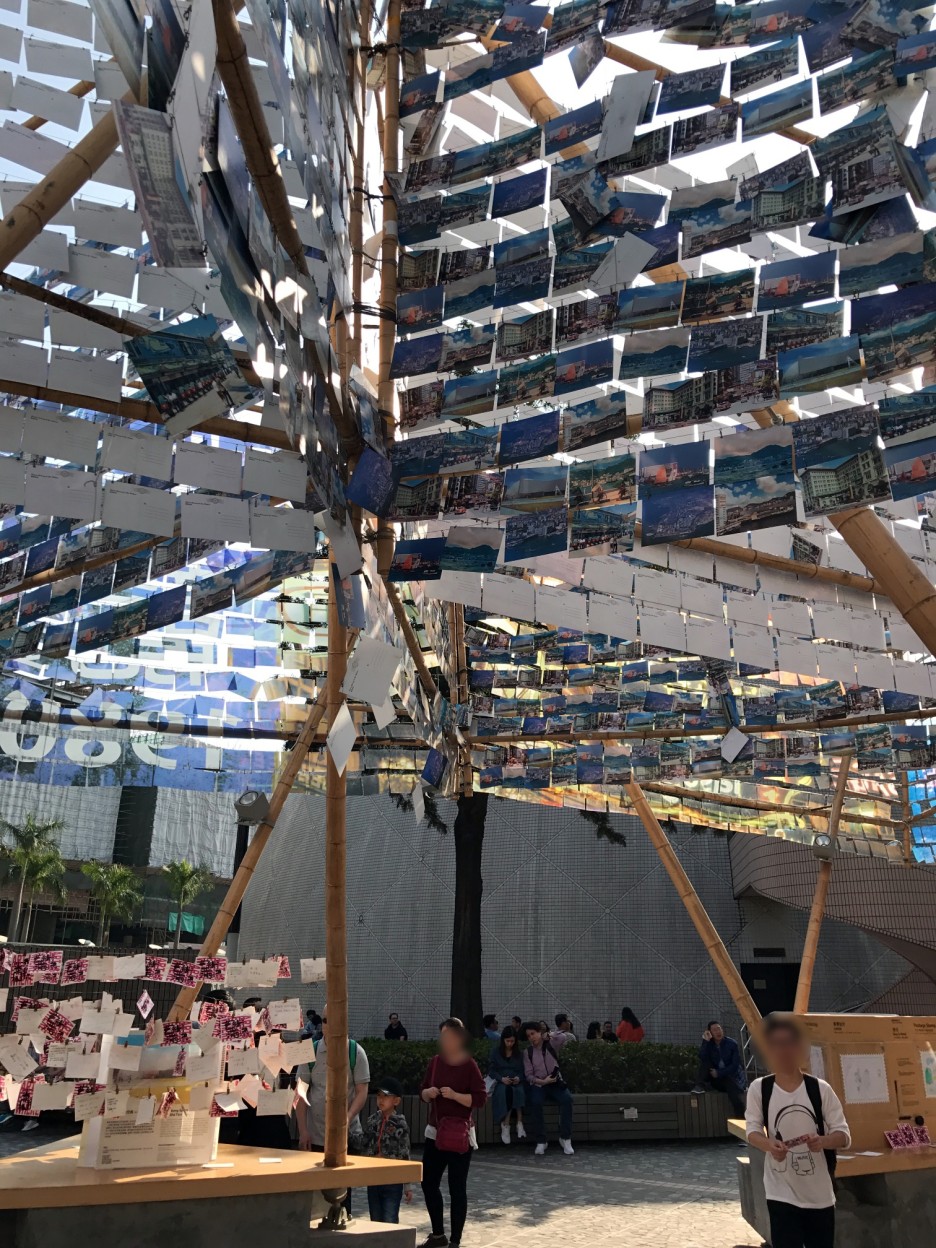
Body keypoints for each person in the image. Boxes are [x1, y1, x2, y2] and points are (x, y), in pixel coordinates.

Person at [745, 1014, 850, 1248]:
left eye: (789, 1043)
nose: (783, 1050)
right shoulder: (759, 1089)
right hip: (779, 1189)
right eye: (776, 1044)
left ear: (800, 1048)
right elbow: (752, 1131)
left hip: (819, 1194)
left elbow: (843, 1135)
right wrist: (769, 1145)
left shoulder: (820, 1089)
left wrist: (822, 1141)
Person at [418, 1017, 487, 1248]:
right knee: (428, 1183)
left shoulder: (469, 1065)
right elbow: (422, 1092)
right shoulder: (435, 1062)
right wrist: (428, 1093)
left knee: (457, 1188)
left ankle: (456, 1240)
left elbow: (480, 1098)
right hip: (435, 1132)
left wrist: (455, 1095)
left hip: (459, 1135)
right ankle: (438, 1234)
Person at [352, 1076, 413, 1224]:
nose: (381, 1099)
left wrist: (407, 1185)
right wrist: (346, 1134)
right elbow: (364, 1142)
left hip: (393, 1178)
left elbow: (405, 1153)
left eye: (386, 1096)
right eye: (379, 1095)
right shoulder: (373, 1120)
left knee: (390, 1218)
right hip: (374, 1177)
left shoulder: (400, 1124)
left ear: (396, 1101)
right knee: (375, 1218)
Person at [522, 1020, 574, 1156]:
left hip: (555, 1082)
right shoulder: (528, 1052)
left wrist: (550, 1034)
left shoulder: (551, 1044)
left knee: (567, 1100)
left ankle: (565, 1138)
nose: (531, 1037)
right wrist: (542, 1081)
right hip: (539, 1084)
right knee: (535, 1102)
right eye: (528, 1036)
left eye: (533, 1033)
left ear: (540, 1033)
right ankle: (541, 1140)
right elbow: (528, 1075)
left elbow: (564, 1037)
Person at [695, 1020, 747, 1114]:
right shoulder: (709, 1044)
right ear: (710, 1033)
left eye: (719, 1029)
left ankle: (741, 1117)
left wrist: (719, 1073)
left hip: (733, 1078)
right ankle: (700, 1086)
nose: (718, 1032)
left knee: (734, 1095)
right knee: (706, 1062)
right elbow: (702, 1057)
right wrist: (705, 1041)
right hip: (718, 1079)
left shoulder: (732, 1044)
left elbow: (735, 1066)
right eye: (714, 1030)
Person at [488, 1026, 526, 1144]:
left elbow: (523, 1071)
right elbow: (492, 1071)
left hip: (516, 1082)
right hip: (501, 1083)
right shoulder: (495, 1052)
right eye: (507, 1041)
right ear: (503, 1040)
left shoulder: (519, 1054)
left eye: (512, 1041)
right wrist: (501, 1078)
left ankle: (514, 1123)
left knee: (519, 1091)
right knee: (507, 1092)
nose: (510, 1044)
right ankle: (511, 1123)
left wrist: (518, 1078)